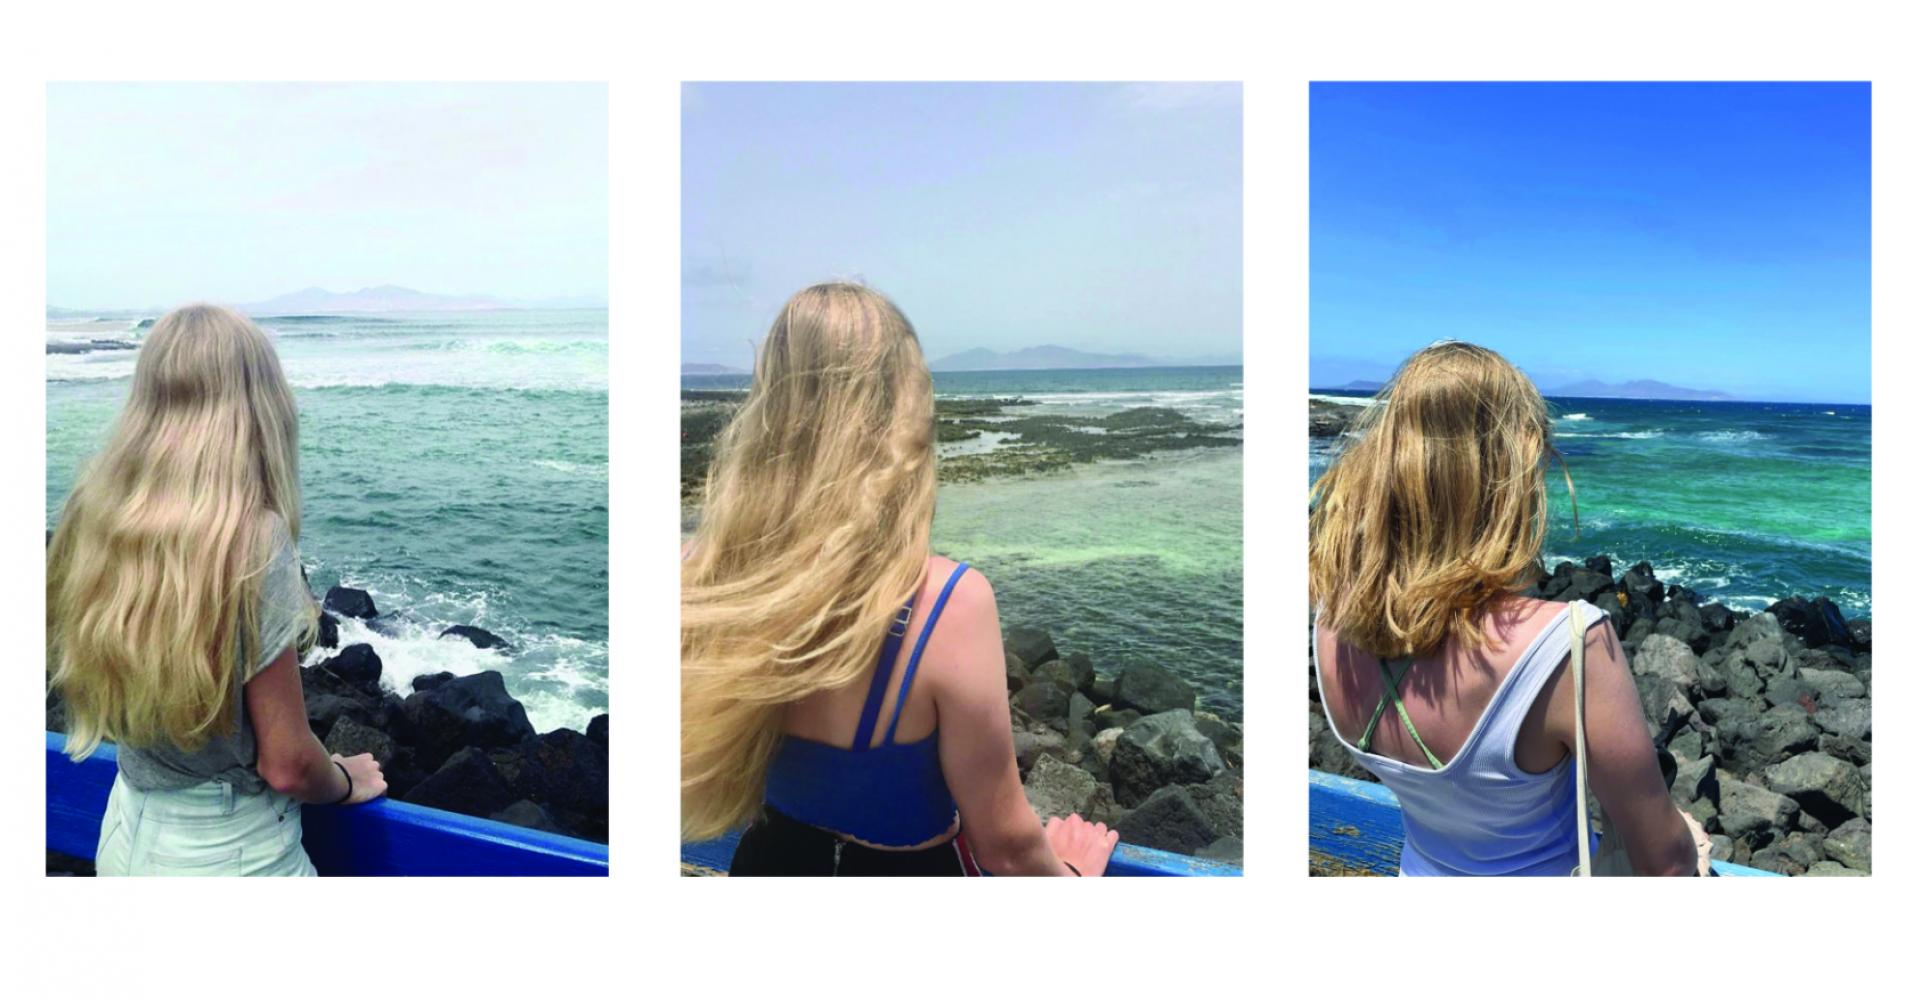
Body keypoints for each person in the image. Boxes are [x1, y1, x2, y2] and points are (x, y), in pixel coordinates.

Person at [681, 283, 1118, 876]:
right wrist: (1073, 873)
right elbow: (1008, 850)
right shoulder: (949, 603)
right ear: (904, 411)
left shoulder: (701, 579)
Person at [1308, 341, 1709, 876]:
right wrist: (1689, 845)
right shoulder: (1571, 644)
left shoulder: (1331, 620)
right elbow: (1667, 864)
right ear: (1512, 474)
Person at [47, 304, 387, 877]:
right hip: (231, 853)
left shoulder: (96, 517)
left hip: (127, 831)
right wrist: (344, 779)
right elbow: (287, 766)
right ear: (260, 404)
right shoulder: (253, 539)